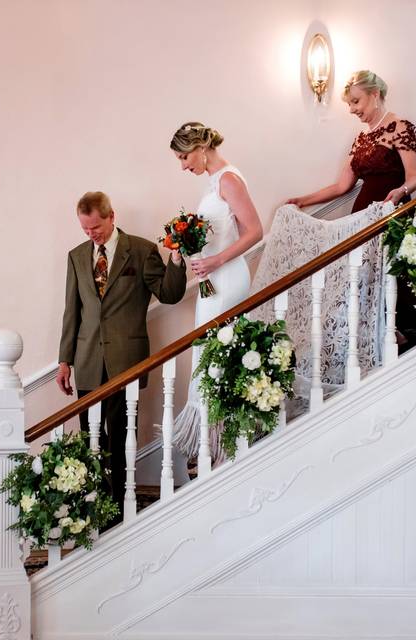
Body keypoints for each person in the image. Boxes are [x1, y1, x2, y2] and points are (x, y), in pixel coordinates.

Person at [56, 191, 187, 510]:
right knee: (90, 436)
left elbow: (169, 294)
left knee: (118, 435)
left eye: (96, 228)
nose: (91, 235)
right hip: (87, 360)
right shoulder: (76, 256)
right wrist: (64, 360)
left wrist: (177, 257)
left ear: (111, 216)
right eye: (85, 229)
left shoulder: (141, 251)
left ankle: (117, 505)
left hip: (125, 361)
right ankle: (94, 501)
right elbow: (72, 311)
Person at [286, 70, 416, 347]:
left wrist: (401, 192)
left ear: (375, 95)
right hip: (360, 220)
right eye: (349, 104)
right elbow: (341, 187)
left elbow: (414, 177)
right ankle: (383, 337)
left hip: (390, 215)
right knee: (363, 277)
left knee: (393, 276)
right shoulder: (361, 139)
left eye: (356, 102)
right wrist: (303, 200)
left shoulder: (400, 127)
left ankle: (406, 333)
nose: (352, 110)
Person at [169, 122, 263, 464]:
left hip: (228, 278)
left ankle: (225, 448)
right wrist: (185, 248)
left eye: (184, 157)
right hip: (213, 280)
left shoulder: (228, 179)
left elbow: (255, 231)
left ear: (200, 147)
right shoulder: (213, 184)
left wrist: (216, 260)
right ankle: (218, 448)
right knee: (210, 355)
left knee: (217, 358)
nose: (183, 166)